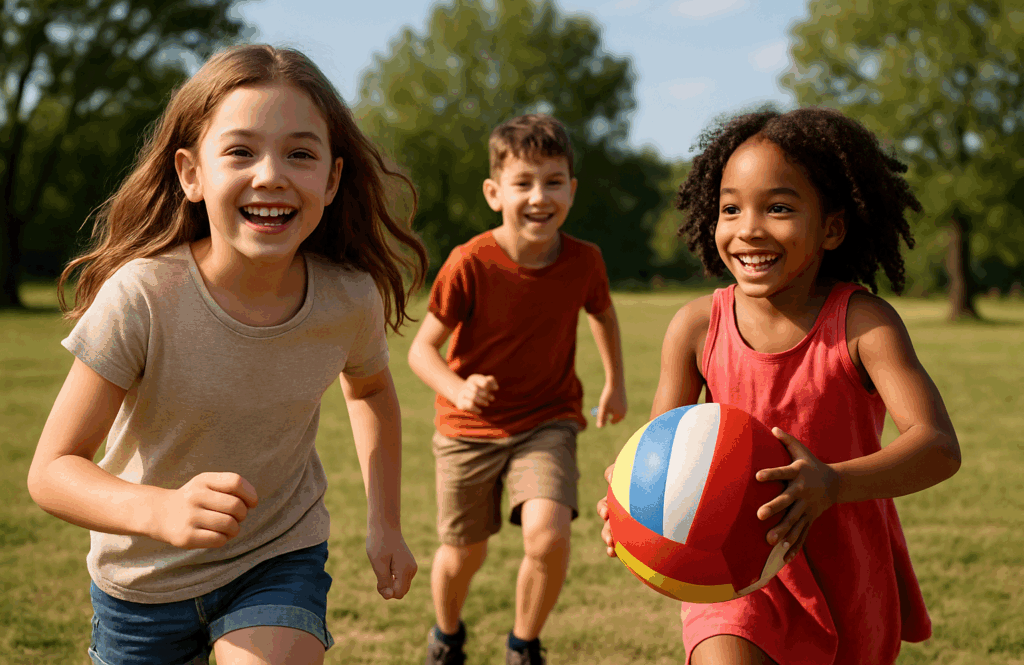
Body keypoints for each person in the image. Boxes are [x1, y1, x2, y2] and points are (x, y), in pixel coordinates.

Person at [27, 45, 427, 665]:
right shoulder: (142, 296)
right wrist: (159, 509)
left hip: (277, 553)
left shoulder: (349, 298)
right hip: (142, 584)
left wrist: (386, 522)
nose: (271, 174)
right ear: (191, 174)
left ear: (332, 179)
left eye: (300, 153)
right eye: (240, 151)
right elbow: (52, 470)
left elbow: (370, 389)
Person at [597, 107, 961, 665]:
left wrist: (832, 484)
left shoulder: (864, 324)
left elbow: (937, 445)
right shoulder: (696, 327)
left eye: (780, 208)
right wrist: (630, 506)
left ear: (832, 227)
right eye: (730, 209)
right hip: (733, 567)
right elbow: (658, 449)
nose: (749, 228)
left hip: (844, 564)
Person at [408, 114, 628, 665]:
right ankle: (447, 634)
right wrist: (458, 389)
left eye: (553, 182)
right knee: (464, 553)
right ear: (494, 192)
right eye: (523, 183)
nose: (539, 197)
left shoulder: (584, 261)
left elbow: (601, 313)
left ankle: (523, 646)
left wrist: (615, 383)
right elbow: (420, 351)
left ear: (571, 191)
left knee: (548, 535)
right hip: (468, 430)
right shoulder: (470, 262)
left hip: (548, 420)